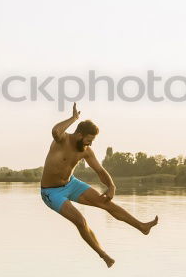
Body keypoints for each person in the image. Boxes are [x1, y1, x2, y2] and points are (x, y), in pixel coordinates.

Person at [40, 103, 158, 267]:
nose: (91, 144)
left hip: (71, 184)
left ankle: (142, 226)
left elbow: (100, 171)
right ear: (80, 134)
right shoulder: (62, 140)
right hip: (51, 192)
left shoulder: (86, 150)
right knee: (80, 221)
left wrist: (111, 186)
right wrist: (74, 118)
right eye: (89, 140)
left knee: (106, 203)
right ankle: (104, 255)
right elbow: (55, 131)